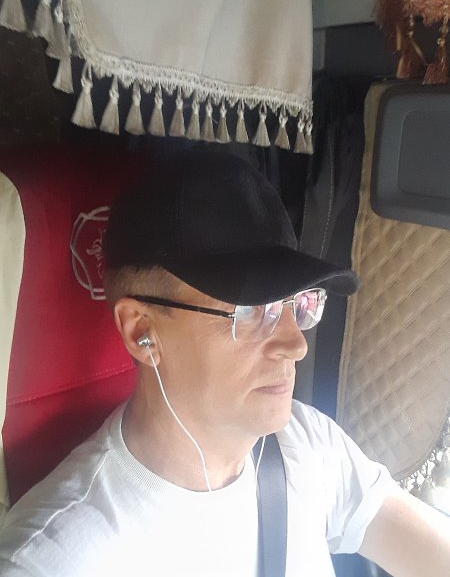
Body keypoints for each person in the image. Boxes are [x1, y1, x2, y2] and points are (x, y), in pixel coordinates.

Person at [0, 149, 449, 576]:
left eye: (297, 303)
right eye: (252, 310)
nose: (296, 344)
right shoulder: (53, 557)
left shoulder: (308, 444)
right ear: (141, 331)